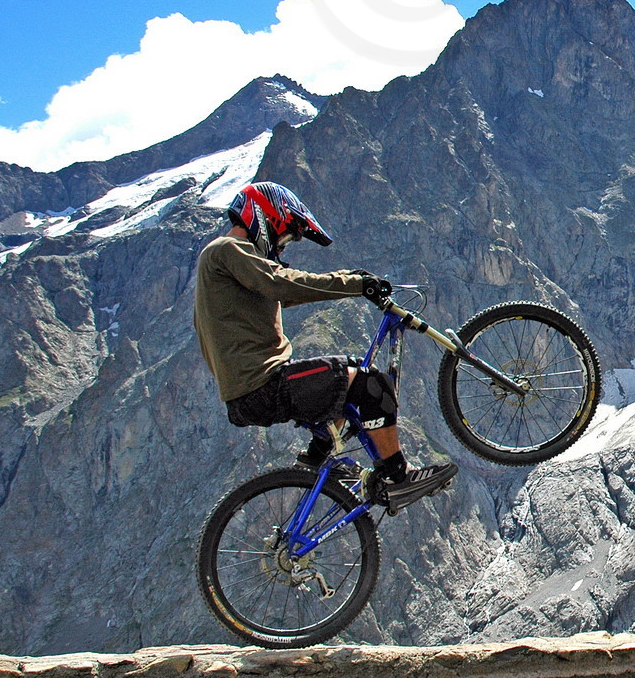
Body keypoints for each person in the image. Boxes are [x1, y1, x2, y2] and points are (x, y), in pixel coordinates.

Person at [193, 181, 456, 511]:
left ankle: (316, 457)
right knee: (371, 383)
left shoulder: (226, 265)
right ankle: (399, 479)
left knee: (345, 375)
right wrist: (357, 283)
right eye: (286, 235)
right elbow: (284, 283)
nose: (283, 247)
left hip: (251, 390)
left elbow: (282, 291)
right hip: (263, 386)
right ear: (266, 217)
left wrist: (351, 279)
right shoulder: (227, 250)